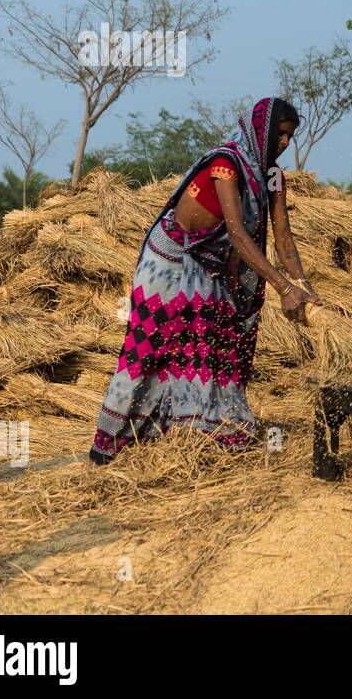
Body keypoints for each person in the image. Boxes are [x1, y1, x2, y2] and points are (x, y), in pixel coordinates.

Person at [89, 97, 321, 464]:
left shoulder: (273, 176)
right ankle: (112, 445)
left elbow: (283, 235)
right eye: (279, 133)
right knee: (150, 345)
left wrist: (302, 282)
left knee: (211, 347)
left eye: (290, 136)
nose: (284, 142)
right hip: (170, 258)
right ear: (259, 130)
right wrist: (283, 287)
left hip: (210, 264)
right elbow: (238, 233)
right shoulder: (226, 162)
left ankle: (209, 432)